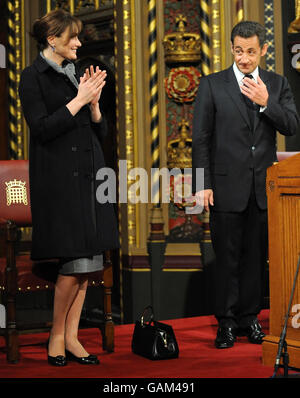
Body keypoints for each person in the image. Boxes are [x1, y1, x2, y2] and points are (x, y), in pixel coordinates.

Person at [19, 9, 119, 365]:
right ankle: (56, 335)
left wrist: (93, 106)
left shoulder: (77, 73)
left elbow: (100, 133)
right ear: (52, 41)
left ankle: (73, 337)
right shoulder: (31, 78)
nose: (79, 42)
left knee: (88, 264)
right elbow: (42, 129)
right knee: (73, 263)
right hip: (59, 181)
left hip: (91, 176)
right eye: (72, 37)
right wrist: (78, 100)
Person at [192, 21, 299, 349]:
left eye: (251, 51)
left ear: (263, 50)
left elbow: (292, 126)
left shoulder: (276, 84)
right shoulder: (212, 85)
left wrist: (267, 102)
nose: (244, 58)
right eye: (238, 50)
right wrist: (202, 184)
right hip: (223, 187)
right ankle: (225, 322)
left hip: (262, 189)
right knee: (226, 257)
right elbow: (200, 139)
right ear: (232, 48)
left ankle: (250, 318)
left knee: (255, 258)